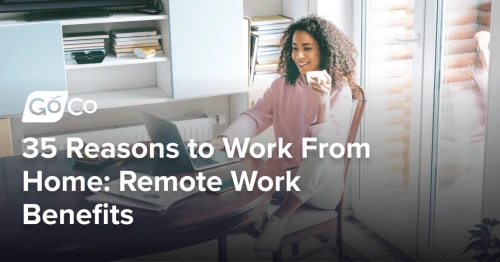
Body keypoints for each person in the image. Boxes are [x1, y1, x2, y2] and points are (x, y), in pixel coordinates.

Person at [202, 15, 358, 252]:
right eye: (295, 48)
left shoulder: (340, 91)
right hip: (280, 177)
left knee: (324, 143)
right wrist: (223, 140)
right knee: (224, 186)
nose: (299, 55)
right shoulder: (282, 85)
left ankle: (279, 218)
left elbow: (329, 145)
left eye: (307, 48)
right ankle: (260, 215)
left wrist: (323, 104)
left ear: (324, 51)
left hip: (321, 188)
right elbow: (256, 117)